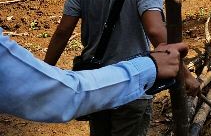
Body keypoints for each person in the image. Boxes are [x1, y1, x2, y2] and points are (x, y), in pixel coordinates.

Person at [45, 0, 199, 136]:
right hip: (132, 86)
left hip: (96, 82)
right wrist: (186, 75)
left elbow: (62, 31)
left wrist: (45, 73)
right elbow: (155, 31)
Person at [1, 28, 186, 122]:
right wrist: (152, 65)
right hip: (123, 88)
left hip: (96, 77)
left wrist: (43, 69)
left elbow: (63, 30)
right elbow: (64, 94)